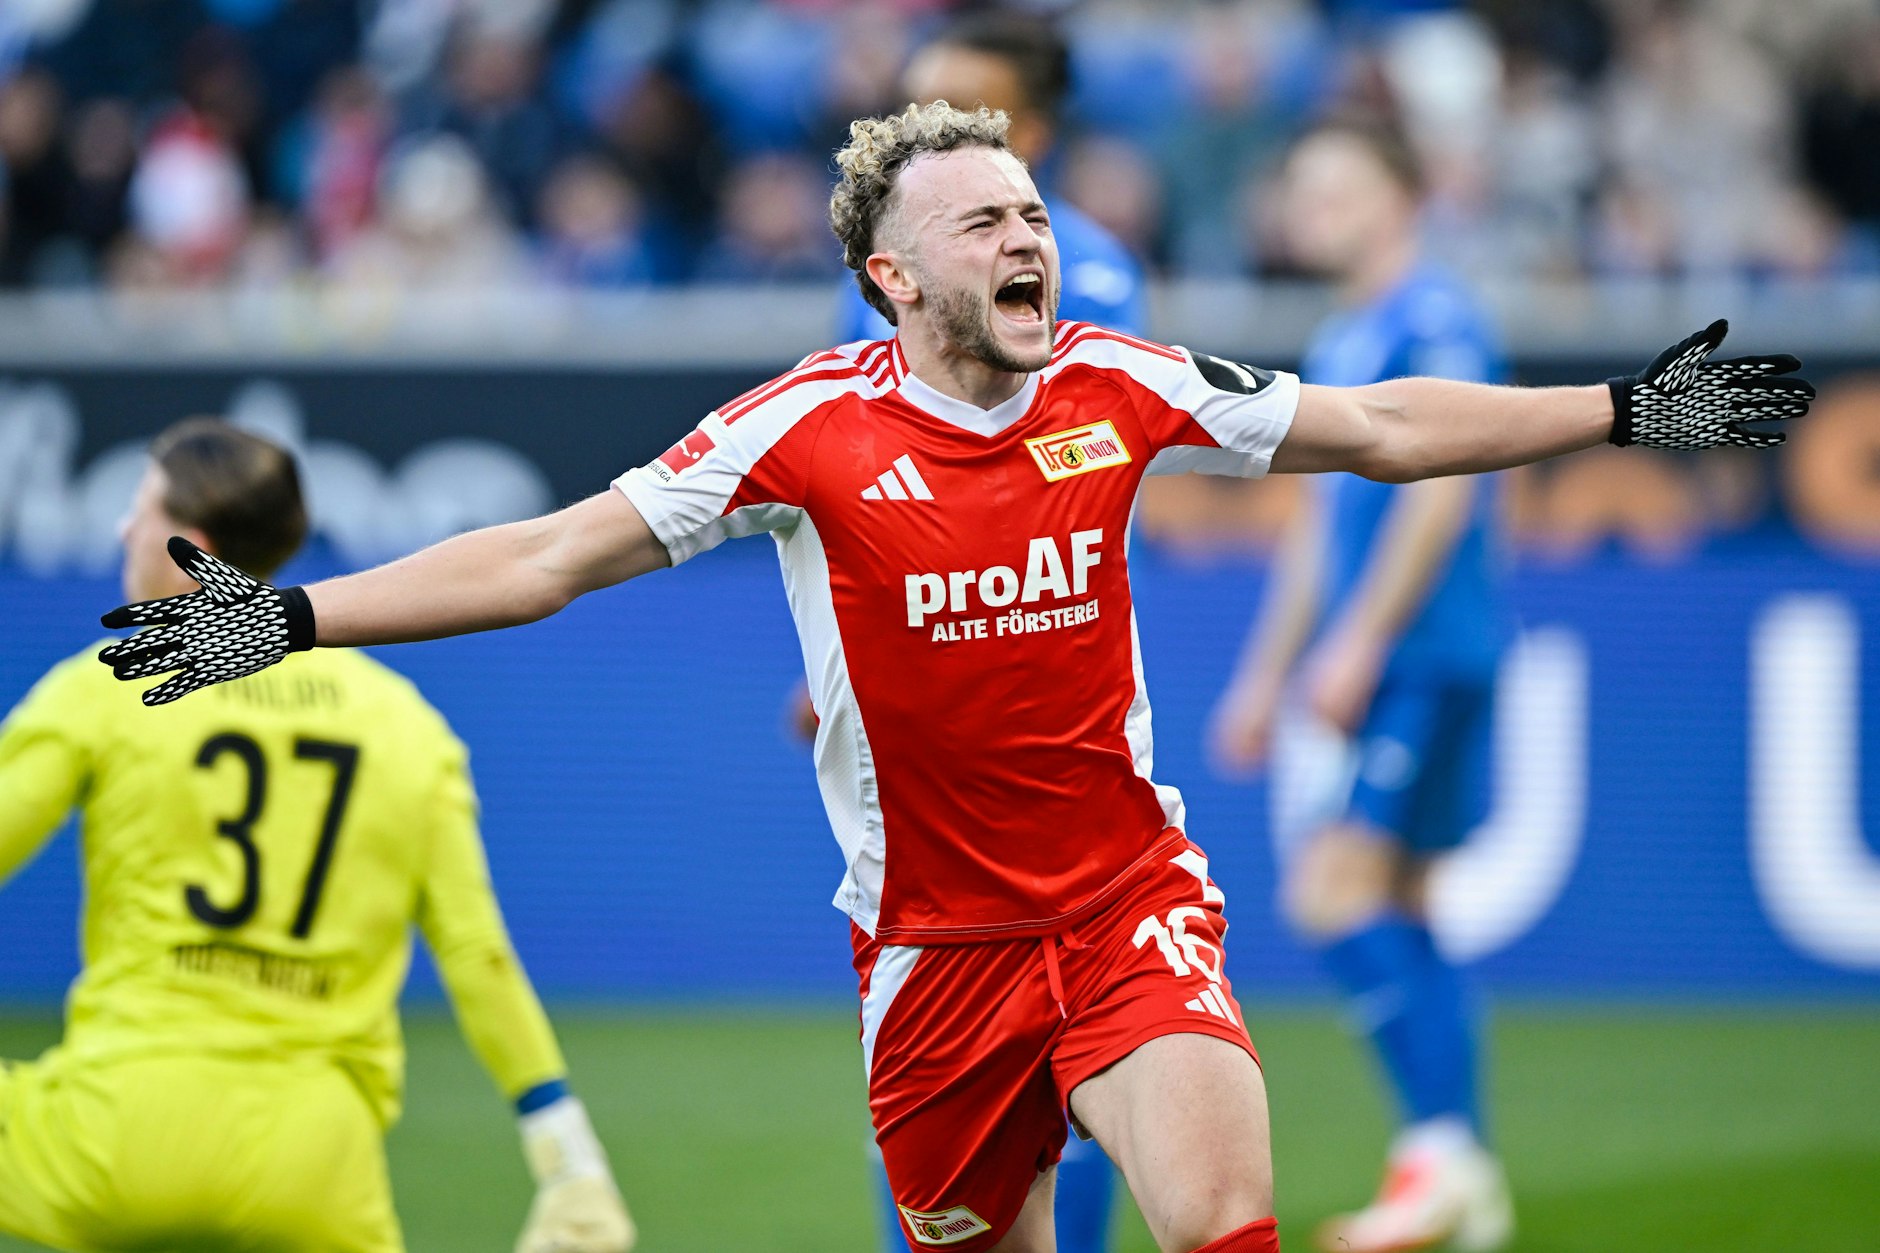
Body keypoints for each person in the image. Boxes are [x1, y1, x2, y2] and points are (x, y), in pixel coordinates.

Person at [95, 104, 1811, 1253]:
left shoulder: (1120, 383)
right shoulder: (801, 430)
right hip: (931, 954)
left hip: (1126, 903)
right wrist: (284, 620)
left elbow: (1378, 426)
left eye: (1037, 211)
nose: (1028, 234)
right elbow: (545, 554)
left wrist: (1613, 409)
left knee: (1226, 1213)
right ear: (894, 274)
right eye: (985, 217)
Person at [1, 418, 635, 1253]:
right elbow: (477, 952)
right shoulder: (404, 722)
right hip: (316, 1164)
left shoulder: (106, 687)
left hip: (111, 1138)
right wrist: (569, 1158)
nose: (123, 528)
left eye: (139, 508)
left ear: (189, 546)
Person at [825, 16, 1144, 1250]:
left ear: (1034, 129)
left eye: (962, 103)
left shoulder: (1081, 285)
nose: (923, 124)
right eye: (913, 98)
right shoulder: (891, 265)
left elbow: (1056, 473)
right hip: (910, 704)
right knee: (921, 1065)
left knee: (1088, 1056)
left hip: (1028, 669)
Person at [1210, 119, 1514, 1253]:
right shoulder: (1342, 333)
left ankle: (1439, 1154)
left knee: (1329, 891)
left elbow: (1444, 492)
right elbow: (1311, 527)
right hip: (1403, 654)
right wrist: (1265, 670)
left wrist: (1359, 641)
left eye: (1337, 185)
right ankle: (1458, 1165)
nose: (1314, 207)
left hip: (1426, 653)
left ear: (1400, 198)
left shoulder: (1433, 318)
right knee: (1404, 901)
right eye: (1301, 187)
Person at [835, 12, 1144, 344]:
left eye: (956, 112)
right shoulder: (884, 255)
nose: (922, 131)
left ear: (1031, 136)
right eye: (911, 107)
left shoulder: (1088, 269)